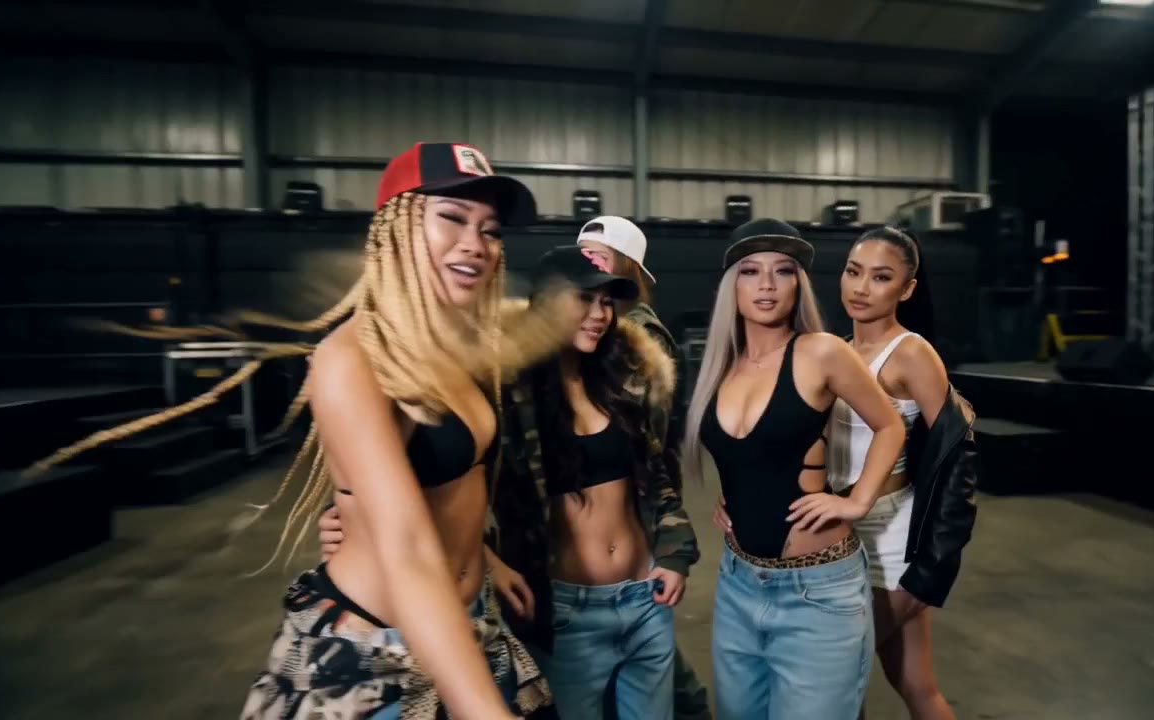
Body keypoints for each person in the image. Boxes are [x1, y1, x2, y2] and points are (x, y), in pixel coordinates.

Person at [26, 142, 582, 720]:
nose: (475, 244)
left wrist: (485, 560)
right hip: (374, 651)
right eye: (452, 218)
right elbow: (408, 547)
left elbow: (444, 489)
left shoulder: (461, 350)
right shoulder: (354, 360)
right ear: (393, 230)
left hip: (466, 621)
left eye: (490, 230)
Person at [321, 244, 700, 719]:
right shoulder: (503, 393)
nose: (600, 314)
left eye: (607, 302)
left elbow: (655, 474)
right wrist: (351, 516)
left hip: (645, 599)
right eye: (584, 299)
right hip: (567, 613)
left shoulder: (624, 381)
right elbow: (431, 475)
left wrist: (675, 552)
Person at [683, 218, 906, 720]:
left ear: (798, 284)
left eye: (783, 271)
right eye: (750, 271)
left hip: (817, 593)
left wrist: (857, 500)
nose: (766, 284)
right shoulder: (722, 364)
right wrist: (735, 496)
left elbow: (890, 425)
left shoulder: (821, 352)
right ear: (731, 285)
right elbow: (749, 452)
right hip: (738, 583)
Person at [828, 226, 979, 719]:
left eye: (881, 277)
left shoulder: (911, 353)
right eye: (853, 272)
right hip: (841, 529)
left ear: (907, 289)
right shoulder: (836, 349)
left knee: (833, 677)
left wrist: (936, 562)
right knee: (917, 685)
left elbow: (958, 456)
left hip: (892, 538)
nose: (861, 288)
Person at [574, 215, 711, 720]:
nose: (589, 265)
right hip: (615, 513)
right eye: (583, 255)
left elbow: (638, 447)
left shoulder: (639, 336)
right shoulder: (599, 328)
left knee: (640, 642)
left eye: (600, 257)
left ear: (628, 269)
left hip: (639, 507)